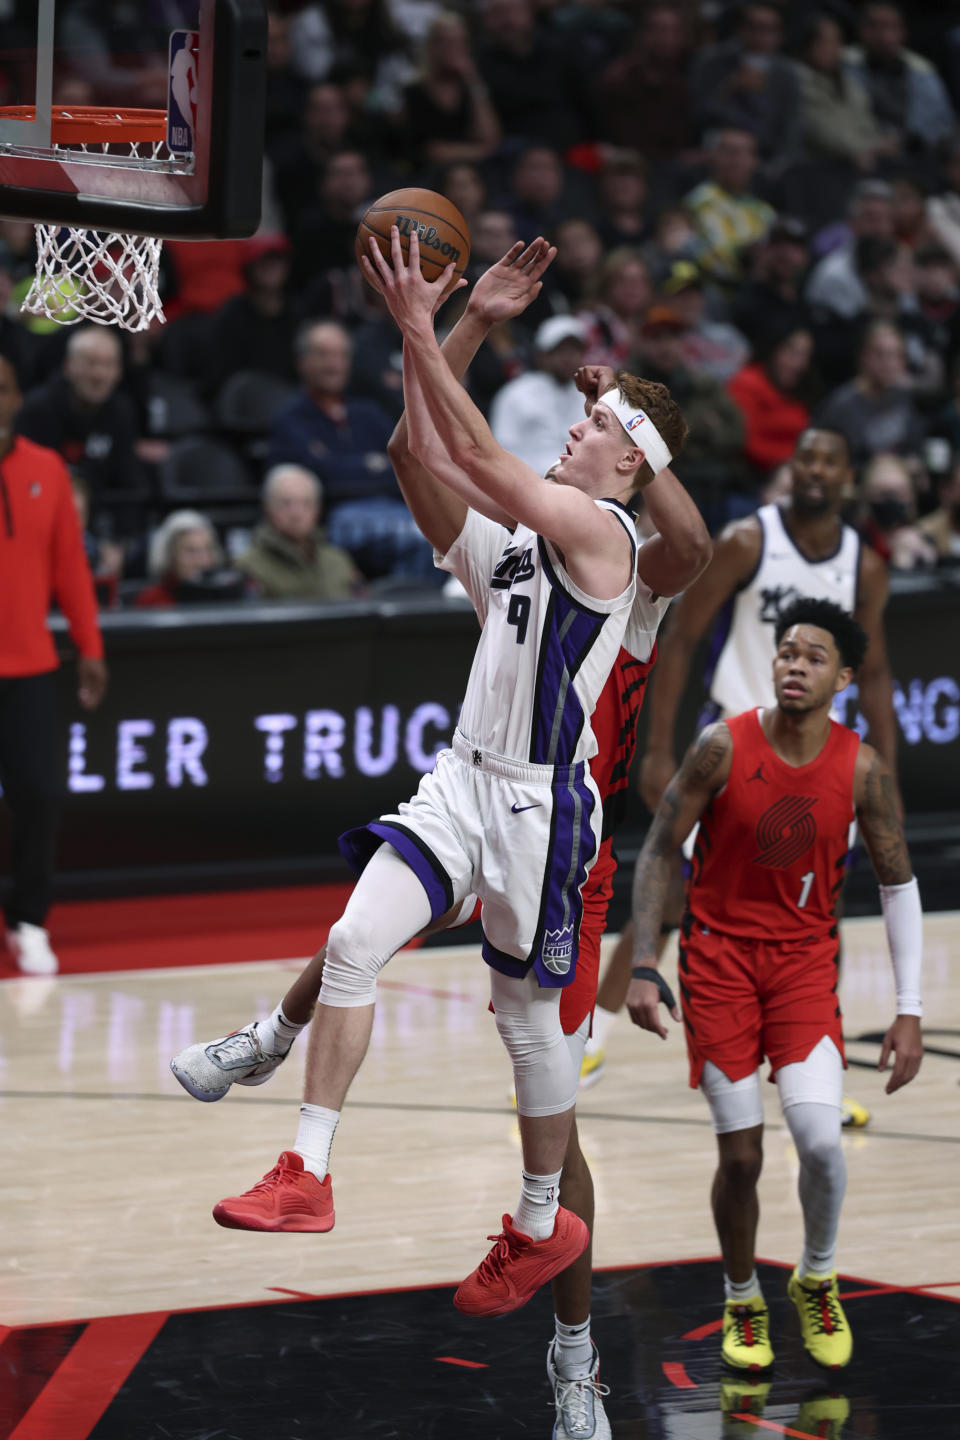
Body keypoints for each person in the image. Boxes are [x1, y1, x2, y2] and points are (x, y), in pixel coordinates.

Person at [170, 242, 710, 1439]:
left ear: (630, 457)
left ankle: (542, 1252)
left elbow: (485, 452)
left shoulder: (615, 544)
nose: (571, 428)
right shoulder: (517, 543)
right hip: (462, 786)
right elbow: (427, 455)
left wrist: (425, 322)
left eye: (596, 425)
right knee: (354, 934)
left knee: (530, 1037)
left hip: (553, 823)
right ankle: (304, 1166)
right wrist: (457, 325)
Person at [626, 597, 923, 1371]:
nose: (795, 664)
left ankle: (815, 1278)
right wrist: (645, 966)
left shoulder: (862, 769)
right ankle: (741, 1297)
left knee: (822, 1143)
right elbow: (660, 849)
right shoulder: (722, 746)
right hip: (719, 963)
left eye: (814, 656)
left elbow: (898, 885)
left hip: (802, 969)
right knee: (745, 1159)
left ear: (845, 676)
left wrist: (909, 1009)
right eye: (787, 651)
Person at [583, 428, 899, 1127]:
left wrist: (889, 775)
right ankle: (589, 1041)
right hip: (736, 742)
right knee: (670, 901)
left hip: (817, 760)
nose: (815, 469)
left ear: (847, 477)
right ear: (792, 470)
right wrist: (657, 746)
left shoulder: (863, 566)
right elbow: (683, 634)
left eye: (829, 459)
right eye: (806, 457)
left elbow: (874, 673)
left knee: (819, 909)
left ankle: (814, 1061)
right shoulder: (748, 541)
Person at [0, 357, 107, 975]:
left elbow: (70, 568)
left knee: (39, 796)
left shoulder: (46, 471)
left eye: (4, 387)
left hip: (31, 667)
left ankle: (30, 919)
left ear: (19, 397)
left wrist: (90, 648)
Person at [14, 325, 148, 539]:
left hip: (98, 523)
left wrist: (120, 542)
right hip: (40, 523)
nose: (99, 374)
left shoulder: (121, 411)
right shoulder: (36, 411)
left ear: (119, 372)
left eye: (108, 364)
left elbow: (129, 482)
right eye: (90, 363)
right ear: (68, 366)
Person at [236, 465, 358, 601]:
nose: (297, 513)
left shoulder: (339, 560)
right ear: (268, 507)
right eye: (286, 503)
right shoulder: (249, 566)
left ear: (318, 509)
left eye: (307, 503)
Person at [489, 316, 588, 476]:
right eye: (561, 351)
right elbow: (503, 449)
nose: (568, 358)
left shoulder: (588, 396)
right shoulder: (516, 393)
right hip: (527, 485)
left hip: (578, 487)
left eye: (574, 350)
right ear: (542, 356)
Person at [683, 129, 776, 289]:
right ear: (712, 157)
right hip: (712, 291)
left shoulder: (764, 211)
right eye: (730, 153)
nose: (738, 161)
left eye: (747, 154)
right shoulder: (698, 203)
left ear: (754, 162)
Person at [136, 511, 245, 607]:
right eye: (191, 551)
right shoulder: (151, 601)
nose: (203, 562)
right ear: (170, 556)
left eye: (208, 550)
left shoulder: (227, 598)